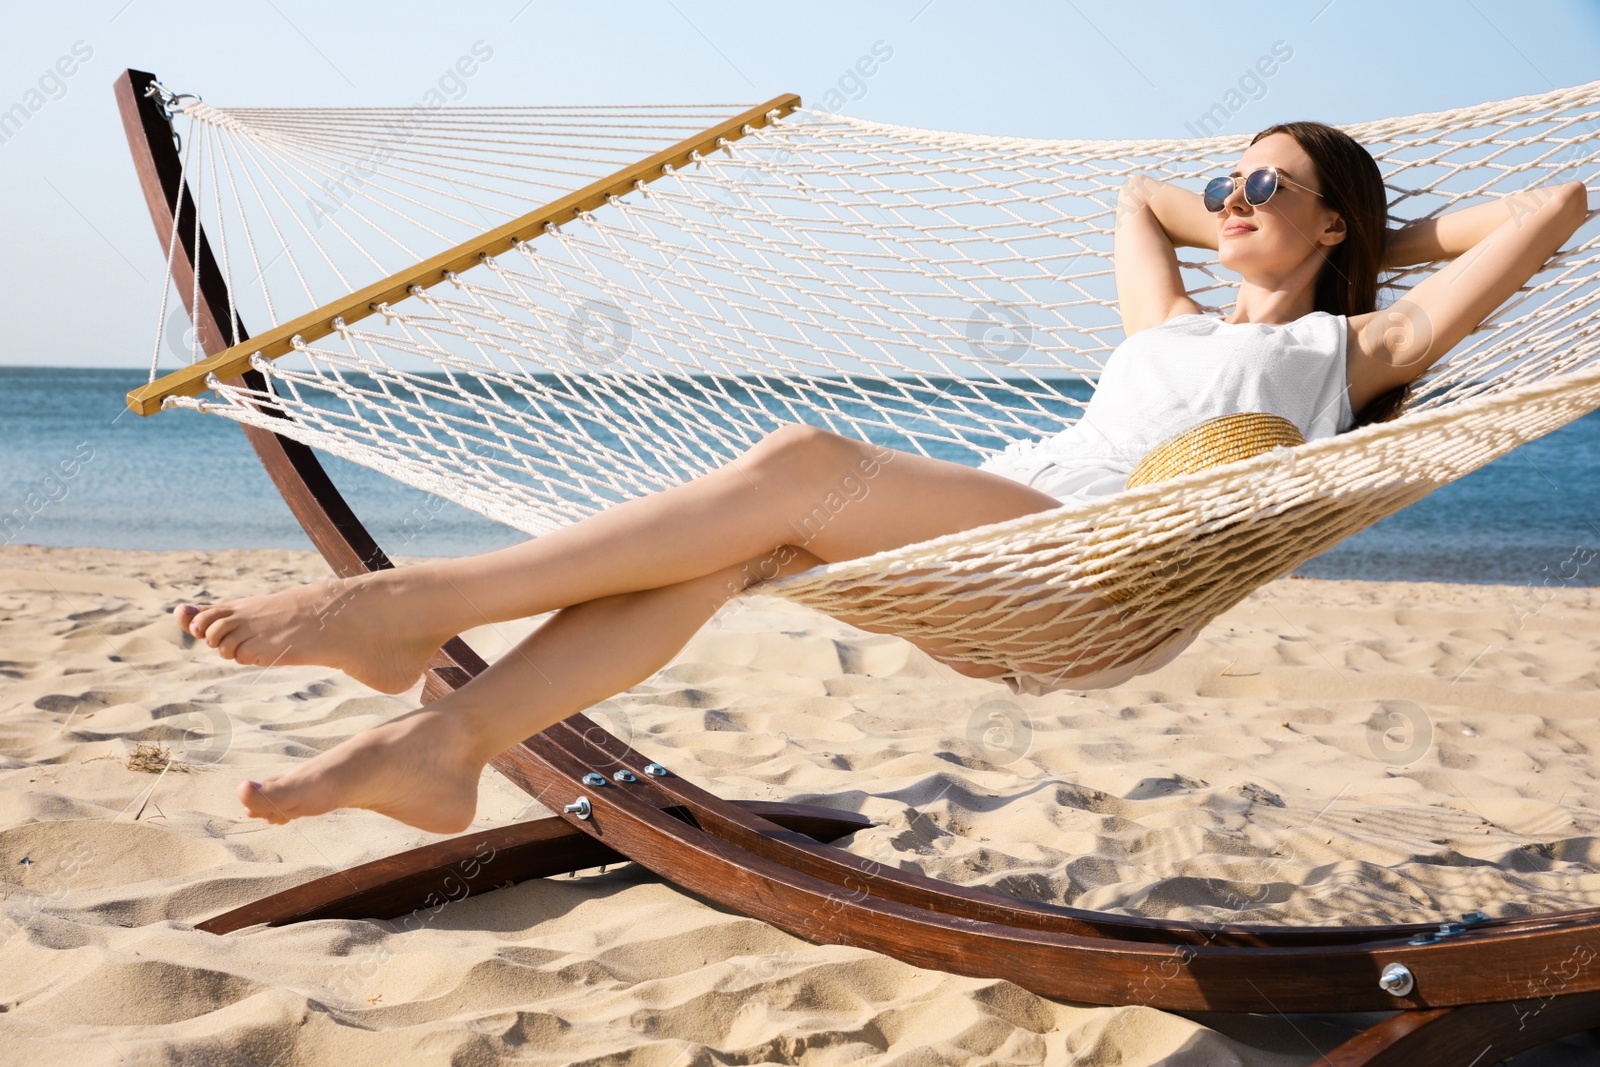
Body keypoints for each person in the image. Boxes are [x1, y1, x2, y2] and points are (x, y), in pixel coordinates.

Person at [174, 120, 1588, 833]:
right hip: (1005, 528)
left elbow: (1552, 208)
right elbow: (1134, 201)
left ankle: (414, 605)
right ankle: (444, 749)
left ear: (1336, 224)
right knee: (738, 543)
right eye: (1225, 179)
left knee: (802, 463)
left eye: (1261, 187)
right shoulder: (1168, 327)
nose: (1225, 200)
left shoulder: (1361, 344)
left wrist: (1364, 242)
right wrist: (1262, 208)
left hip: (1094, 568)